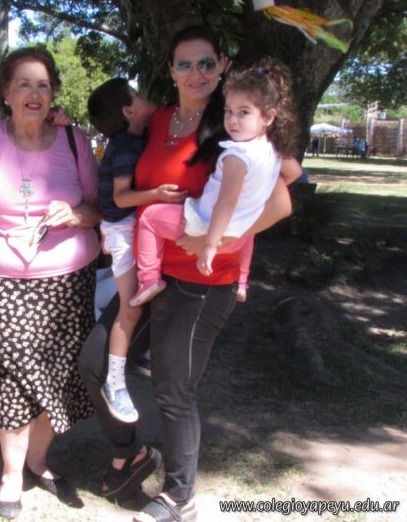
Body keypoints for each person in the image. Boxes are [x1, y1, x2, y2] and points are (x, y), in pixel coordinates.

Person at [78, 26, 301, 522]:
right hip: (149, 273)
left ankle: (180, 496)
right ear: (171, 70)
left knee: (172, 389)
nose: (195, 73)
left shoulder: (237, 122)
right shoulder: (157, 120)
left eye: (206, 63)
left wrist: (218, 240)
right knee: (95, 362)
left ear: (222, 65)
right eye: (184, 64)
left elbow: (283, 199)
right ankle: (132, 453)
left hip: (203, 281)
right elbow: (113, 134)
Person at [0, 46, 101, 520]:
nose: (34, 93)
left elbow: (98, 207)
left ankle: (37, 459)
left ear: (53, 94)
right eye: (24, 84)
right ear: (6, 93)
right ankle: (11, 474)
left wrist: (76, 214)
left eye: (43, 85)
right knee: (14, 374)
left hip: (69, 279)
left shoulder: (74, 141)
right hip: (1, 279)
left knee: (60, 373)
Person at [129, 57, 298, 307]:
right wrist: (254, 195)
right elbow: (293, 174)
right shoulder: (271, 150)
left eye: (243, 112)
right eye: (228, 111)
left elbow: (226, 202)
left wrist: (210, 243)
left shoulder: (236, 155)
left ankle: (149, 278)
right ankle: (243, 281)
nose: (233, 120)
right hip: (239, 235)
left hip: (206, 227)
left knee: (150, 218)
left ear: (268, 117)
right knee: (248, 229)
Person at [87, 78, 175, 424]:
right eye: (137, 94)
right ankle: (115, 381)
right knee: (131, 308)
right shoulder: (124, 145)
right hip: (123, 230)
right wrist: (158, 194)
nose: (145, 95)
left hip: (130, 227)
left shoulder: (137, 138)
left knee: (142, 301)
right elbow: (122, 196)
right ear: (129, 111)